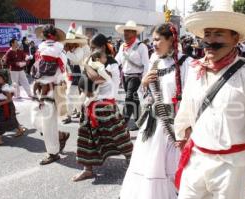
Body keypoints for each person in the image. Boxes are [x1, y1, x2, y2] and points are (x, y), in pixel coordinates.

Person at [174, 1, 245, 198]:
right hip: (196, 159)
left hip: (231, 167)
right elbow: (187, 106)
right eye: (208, 34)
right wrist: (182, 130)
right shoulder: (196, 69)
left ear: (235, 38)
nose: (210, 41)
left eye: (218, 34)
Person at [119, 23, 191, 199]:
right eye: (153, 40)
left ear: (171, 40)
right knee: (149, 165)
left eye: (158, 39)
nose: (154, 44)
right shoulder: (154, 60)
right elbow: (147, 96)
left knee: (170, 167)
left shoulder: (186, 63)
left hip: (175, 125)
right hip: (154, 123)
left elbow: (191, 99)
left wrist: (186, 127)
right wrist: (144, 84)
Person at [72, 33, 133, 182]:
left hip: (105, 105)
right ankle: (87, 169)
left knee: (119, 136)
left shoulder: (111, 63)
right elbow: (85, 81)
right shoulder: (92, 61)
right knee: (87, 138)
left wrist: (86, 65)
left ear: (102, 47)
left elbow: (98, 79)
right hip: (90, 104)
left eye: (93, 47)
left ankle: (132, 162)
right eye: (91, 47)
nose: (91, 50)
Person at [31, 24, 70, 165]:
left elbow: (58, 72)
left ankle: (53, 153)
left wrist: (41, 81)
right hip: (45, 88)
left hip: (50, 90)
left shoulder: (51, 51)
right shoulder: (55, 50)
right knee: (36, 120)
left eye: (47, 34)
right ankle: (60, 136)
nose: (46, 37)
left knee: (47, 123)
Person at [115, 20, 149, 131]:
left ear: (135, 33)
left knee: (129, 98)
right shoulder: (122, 46)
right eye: (125, 32)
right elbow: (117, 61)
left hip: (136, 77)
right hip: (125, 77)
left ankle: (122, 122)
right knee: (135, 100)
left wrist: (144, 81)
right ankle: (140, 121)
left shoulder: (141, 46)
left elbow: (146, 65)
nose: (126, 34)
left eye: (129, 32)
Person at [62, 23, 90, 124]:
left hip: (79, 76)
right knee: (75, 96)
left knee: (73, 96)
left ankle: (72, 115)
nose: (67, 45)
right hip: (72, 76)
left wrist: (67, 52)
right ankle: (79, 113)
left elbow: (77, 60)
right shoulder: (70, 51)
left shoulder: (79, 49)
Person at [0, 70, 26, 147]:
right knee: (11, 119)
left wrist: (0, 103)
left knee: (0, 122)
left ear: (4, 78)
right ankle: (20, 130)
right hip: (1, 107)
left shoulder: (5, 87)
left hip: (6, 106)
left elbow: (9, 99)